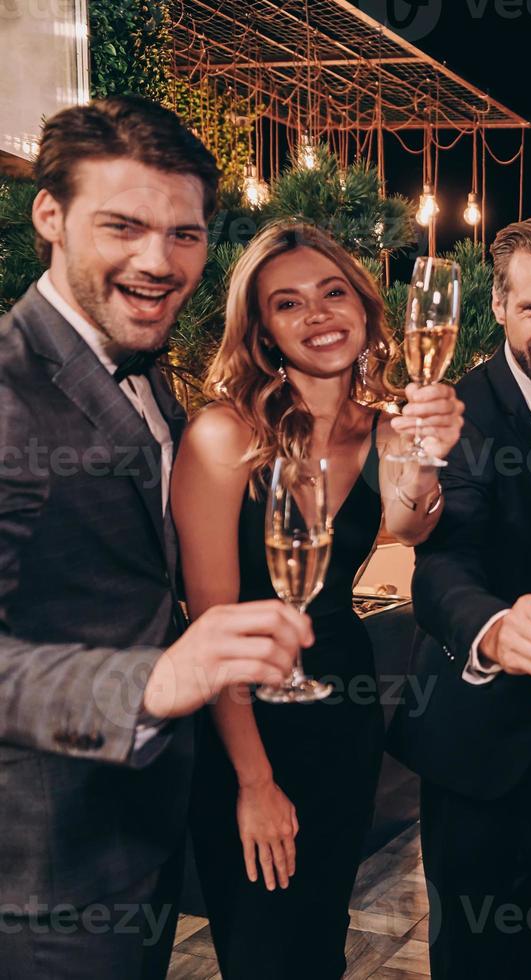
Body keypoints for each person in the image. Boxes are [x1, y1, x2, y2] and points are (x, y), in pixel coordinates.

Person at [0, 96, 312, 979]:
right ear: (50, 216)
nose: (158, 260)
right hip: (37, 873)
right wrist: (158, 677)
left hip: (138, 839)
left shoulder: (145, 372)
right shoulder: (9, 390)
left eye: (185, 234)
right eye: (123, 226)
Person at [171, 221, 463, 977]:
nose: (319, 315)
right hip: (245, 717)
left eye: (334, 292)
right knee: (260, 945)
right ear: (262, 330)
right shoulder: (221, 435)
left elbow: (409, 523)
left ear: (365, 307)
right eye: (288, 304)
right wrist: (254, 780)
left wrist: (428, 456)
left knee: (322, 938)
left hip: (344, 705)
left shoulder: (388, 429)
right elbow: (211, 625)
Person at [387, 215, 531, 979]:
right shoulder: (460, 413)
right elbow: (439, 564)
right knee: (472, 956)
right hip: (477, 738)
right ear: (502, 309)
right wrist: (494, 628)